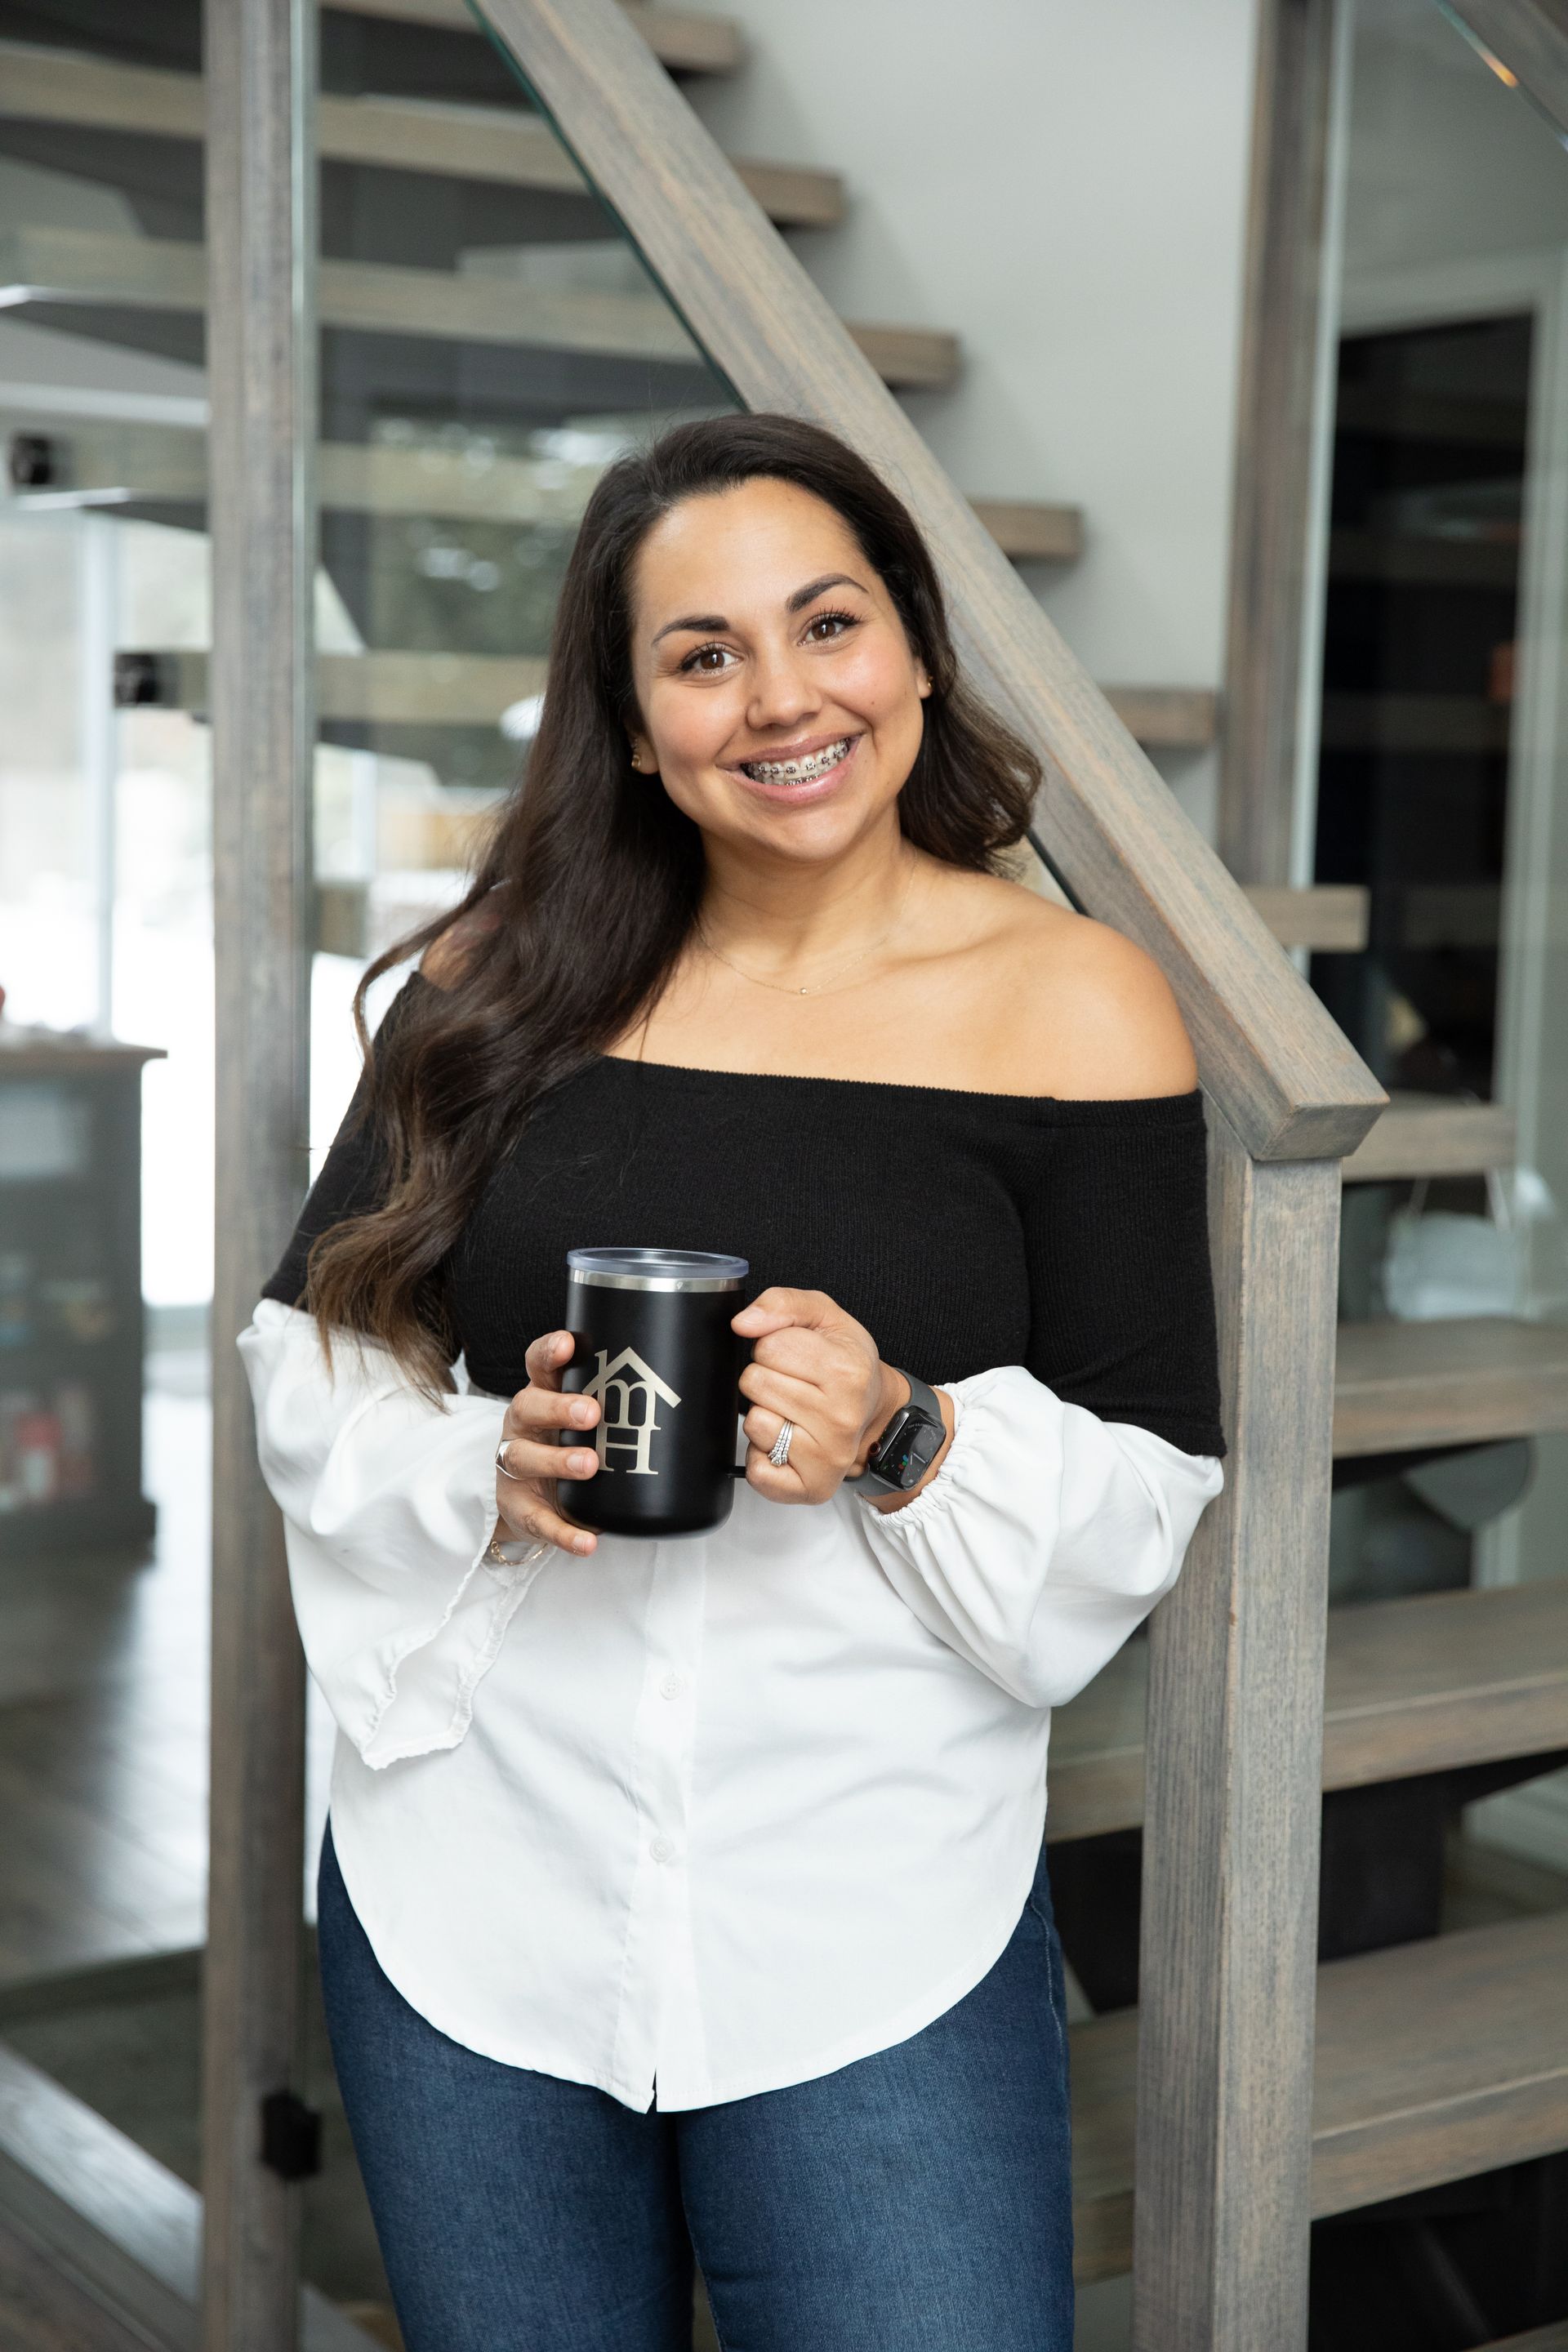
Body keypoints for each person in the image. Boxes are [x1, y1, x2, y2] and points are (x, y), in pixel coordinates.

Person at [240, 414, 1224, 2352]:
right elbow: (318, 1351)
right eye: (704, 655)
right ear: (630, 726)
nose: (783, 698)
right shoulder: (497, 980)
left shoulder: (1079, 1003)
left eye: (828, 624)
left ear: (916, 647)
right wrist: (480, 1465)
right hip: (478, 1881)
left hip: (874, 1909)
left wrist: (907, 1431)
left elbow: (1153, 1471)